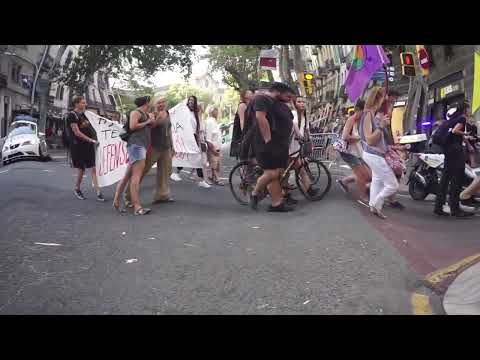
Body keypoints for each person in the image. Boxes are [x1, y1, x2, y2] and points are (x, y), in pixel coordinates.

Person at [250, 82, 296, 212]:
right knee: (272, 172)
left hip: (280, 145)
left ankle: (277, 203)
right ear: (278, 92)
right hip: (267, 144)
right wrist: (268, 140)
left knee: (278, 174)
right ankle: (255, 193)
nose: (289, 99)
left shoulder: (279, 104)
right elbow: (261, 118)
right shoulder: (262, 99)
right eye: (288, 96)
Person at [125, 95, 175, 207]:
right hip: (153, 147)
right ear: (154, 104)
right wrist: (158, 119)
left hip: (166, 147)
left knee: (165, 172)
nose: (161, 104)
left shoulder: (168, 113)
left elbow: (169, 130)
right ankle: (129, 197)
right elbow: (149, 127)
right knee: (141, 172)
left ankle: (162, 195)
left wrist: (173, 146)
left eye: (163, 102)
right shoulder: (151, 114)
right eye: (159, 103)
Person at [358, 86, 399, 220]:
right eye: (384, 97)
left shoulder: (370, 114)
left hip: (374, 154)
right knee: (393, 185)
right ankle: (376, 204)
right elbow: (369, 139)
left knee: (377, 180)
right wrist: (381, 126)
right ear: (378, 98)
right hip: (373, 154)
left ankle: (373, 206)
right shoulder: (368, 114)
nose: (386, 100)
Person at [113, 96, 154, 215]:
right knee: (136, 177)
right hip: (137, 146)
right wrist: (148, 121)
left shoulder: (145, 113)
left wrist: (150, 120)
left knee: (127, 176)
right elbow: (133, 126)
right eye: (149, 103)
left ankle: (116, 201)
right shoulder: (136, 112)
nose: (150, 104)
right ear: (146, 103)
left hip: (139, 146)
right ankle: (137, 207)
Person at [433, 101, 474, 218]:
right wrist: (465, 133)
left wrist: (464, 136)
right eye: (469, 109)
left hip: (448, 150)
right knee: (457, 180)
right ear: (465, 109)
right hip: (456, 151)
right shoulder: (462, 118)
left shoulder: (452, 118)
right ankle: (455, 209)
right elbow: (455, 131)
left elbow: (452, 132)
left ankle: (438, 207)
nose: (470, 111)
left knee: (445, 179)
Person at [66, 95, 105, 202]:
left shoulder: (85, 115)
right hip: (78, 146)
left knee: (93, 167)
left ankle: (98, 191)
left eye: (85, 102)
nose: (85, 104)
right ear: (76, 104)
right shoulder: (71, 115)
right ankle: (77, 189)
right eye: (83, 102)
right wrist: (91, 140)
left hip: (88, 145)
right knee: (81, 169)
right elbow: (76, 132)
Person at [170, 96, 211, 189]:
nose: (191, 102)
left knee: (195, 157)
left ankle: (177, 173)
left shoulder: (195, 114)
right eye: (190, 100)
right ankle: (177, 173)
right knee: (191, 156)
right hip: (186, 137)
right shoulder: (184, 111)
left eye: (193, 101)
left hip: (193, 137)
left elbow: (197, 128)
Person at [285, 95, 319, 205]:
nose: (302, 104)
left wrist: (309, 140)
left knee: (301, 169)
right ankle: (285, 195)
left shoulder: (305, 115)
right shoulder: (294, 114)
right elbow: (294, 125)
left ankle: (309, 189)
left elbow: (307, 129)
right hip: (290, 145)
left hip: (297, 145)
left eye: (303, 102)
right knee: (285, 172)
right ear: (295, 104)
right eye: (299, 102)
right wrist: (300, 136)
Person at [336, 100, 371, 205]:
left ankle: (344, 181)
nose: (366, 114)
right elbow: (345, 136)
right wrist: (359, 137)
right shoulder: (351, 120)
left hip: (357, 151)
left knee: (369, 175)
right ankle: (363, 197)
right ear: (358, 110)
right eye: (364, 112)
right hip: (348, 152)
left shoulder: (362, 121)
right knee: (361, 175)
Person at [378, 89, 406, 210]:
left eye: (395, 101)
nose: (393, 103)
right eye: (392, 100)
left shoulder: (388, 113)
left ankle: (391, 199)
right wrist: (396, 147)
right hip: (382, 149)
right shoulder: (380, 114)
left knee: (393, 173)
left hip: (387, 146)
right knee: (390, 174)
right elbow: (380, 137)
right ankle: (381, 199)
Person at [230, 89, 254, 159]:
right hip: (241, 135)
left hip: (246, 134)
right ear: (244, 96)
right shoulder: (242, 105)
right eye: (249, 96)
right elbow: (242, 121)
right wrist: (245, 135)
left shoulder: (249, 105)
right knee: (245, 158)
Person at [205, 106, 224, 185]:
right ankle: (217, 178)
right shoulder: (210, 122)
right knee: (214, 164)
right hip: (213, 147)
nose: (218, 113)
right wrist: (212, 149)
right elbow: (208, 138)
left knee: (217, 164)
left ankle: (213, 177)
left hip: (217, 147)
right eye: (217, 111)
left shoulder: (215, 122)